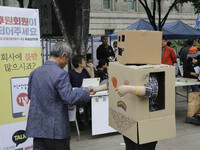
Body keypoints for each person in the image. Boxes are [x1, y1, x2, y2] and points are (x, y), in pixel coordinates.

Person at [26, 41, 91, 150]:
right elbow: (69, 97)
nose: (67, 63)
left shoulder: (35, 72)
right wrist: (85, 93)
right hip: (56, 130)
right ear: (63, 55)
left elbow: (30, 95)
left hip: (38, 129)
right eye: (68, 60)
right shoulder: (61, 74)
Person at [90, 74, 159, 150]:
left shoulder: (148, 70)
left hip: (146, 124)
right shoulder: (128, 67)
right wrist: (97, 89)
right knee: (130, 146)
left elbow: (153, 90)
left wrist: (129, 89)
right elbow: (115, 83)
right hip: (129, 121)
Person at [69, 54, 94, 130]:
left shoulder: (84, 71)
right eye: (83, 60)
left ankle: (90, 120)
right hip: (76, 95)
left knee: (92, 102)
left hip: (86, 94)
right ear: (79, 63)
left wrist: (92, 69)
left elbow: (91, 81)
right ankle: (79, 123)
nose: (85, 61)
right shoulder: (71, 73)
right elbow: (69, 87)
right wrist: (79, 88)